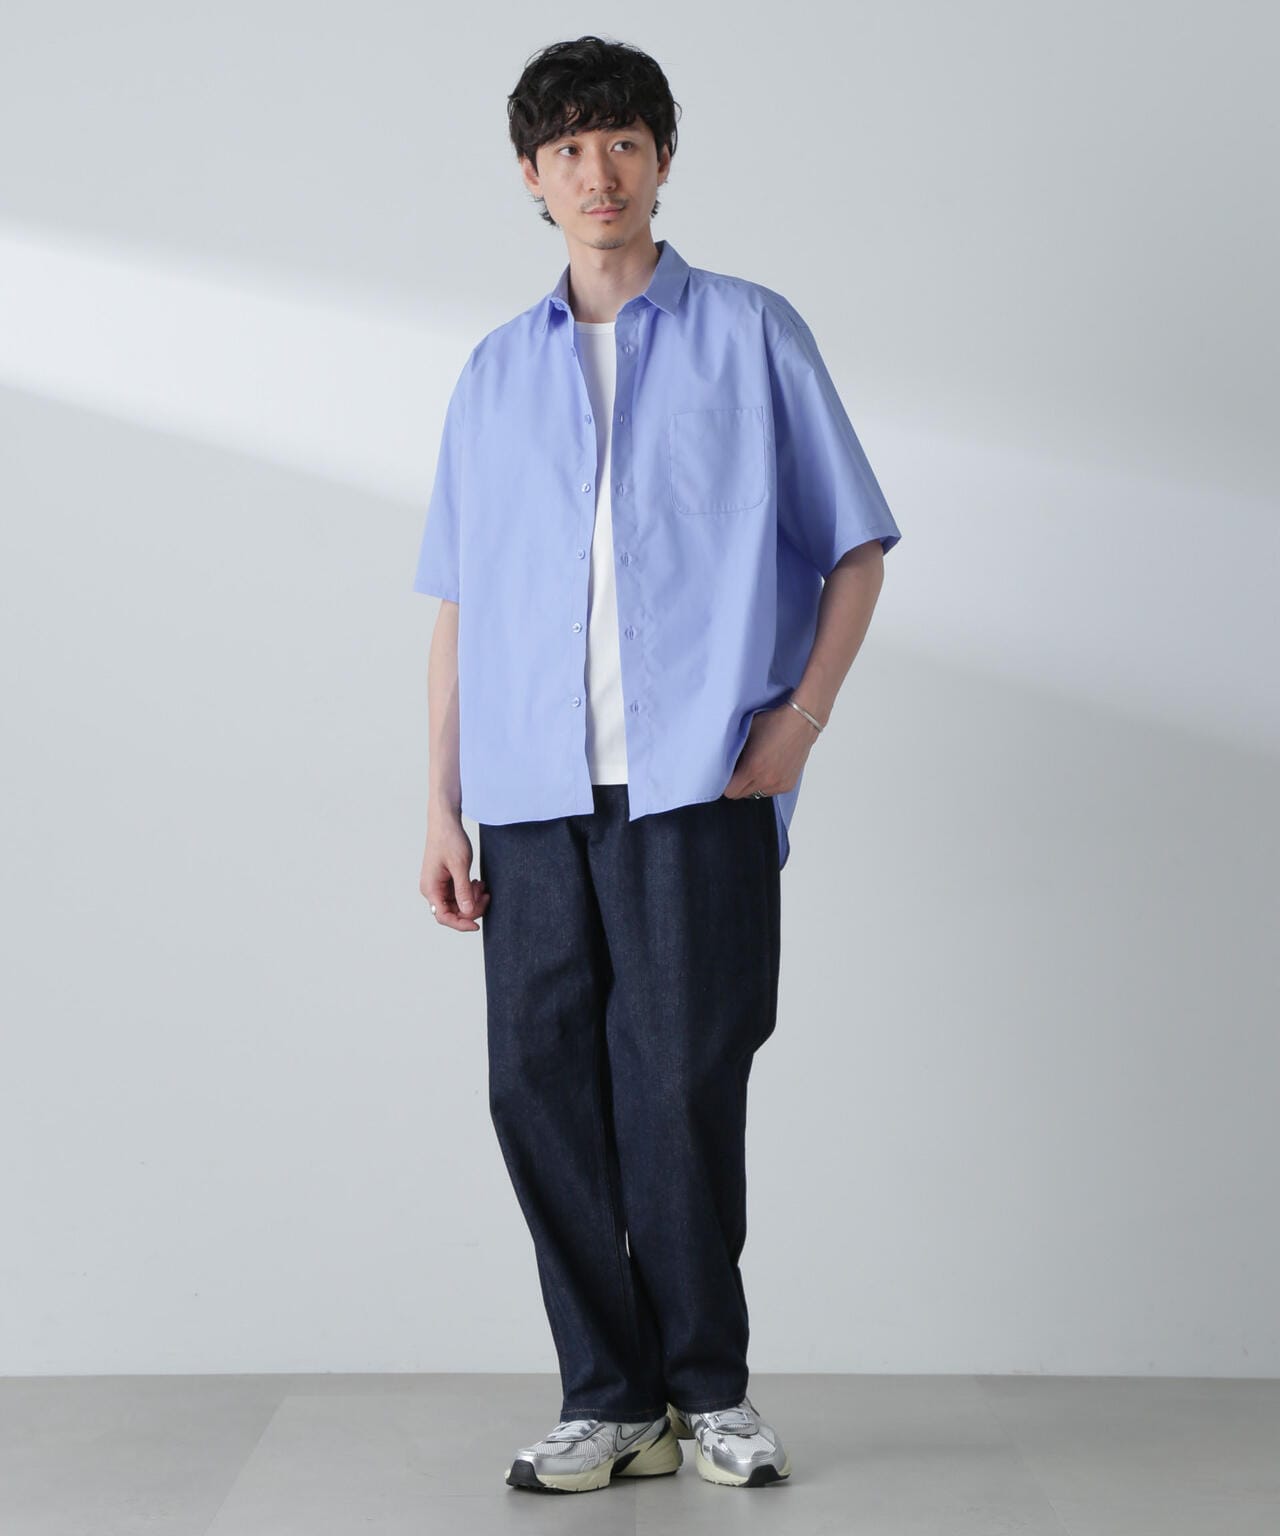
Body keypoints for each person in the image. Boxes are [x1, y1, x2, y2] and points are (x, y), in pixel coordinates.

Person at [413, 35, 902, 1495]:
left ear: (662, 157)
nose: (598, 172)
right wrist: (438, 802)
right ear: (531, 174)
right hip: (530, 796)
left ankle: (710, 1390)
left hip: (697, 787)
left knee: (681, 1086)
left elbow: (856, 546)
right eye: (568, 148)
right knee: (538, 1090)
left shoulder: (752, 333)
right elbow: (461, 603)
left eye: (622, 140)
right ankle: (608, 1400)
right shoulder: (494, 374)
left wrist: (799, 720)